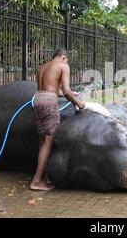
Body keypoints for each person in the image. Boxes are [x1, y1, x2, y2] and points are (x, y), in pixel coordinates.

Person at [31, 48, 86, 191]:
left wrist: (68, 93)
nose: (67, 62)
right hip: (49, 103)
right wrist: (79, 103)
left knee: (43, 141)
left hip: (38, 100)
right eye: (67, 60)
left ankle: (43, 179)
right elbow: (66, 90)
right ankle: (36, 181)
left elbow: (52, 89)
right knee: (49, 141)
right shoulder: (63, 66)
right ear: (63, 57)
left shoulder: (44, 67)